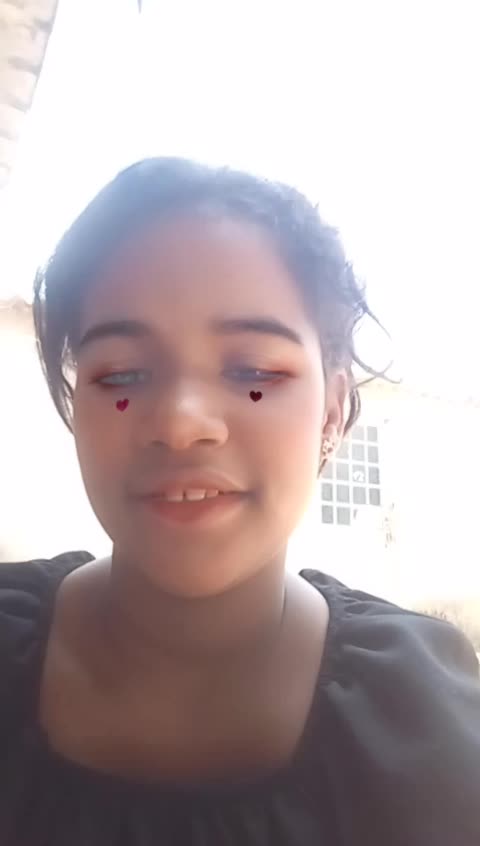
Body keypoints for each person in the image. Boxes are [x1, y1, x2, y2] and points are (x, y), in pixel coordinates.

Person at [0, 158, 479, 846]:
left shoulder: (423, 730)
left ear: (332, 410)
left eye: (254, 371)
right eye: (122, 374)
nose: (181, 422)